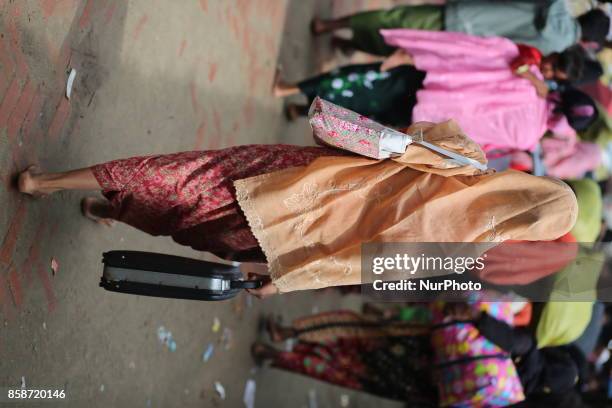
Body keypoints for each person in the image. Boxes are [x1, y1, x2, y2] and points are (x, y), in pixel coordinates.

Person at [18, 107, 578, 297]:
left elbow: (402, 133)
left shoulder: (467, 161)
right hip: (283, 238)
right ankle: (112, 208)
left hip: (293, 177)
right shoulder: (451, 253)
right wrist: (277, 281)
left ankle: (52, 184)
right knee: (188, 220)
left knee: (187, 171)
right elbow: (354, 267)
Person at [274, 38, 586, 134]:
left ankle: (289, 91)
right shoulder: (531, 132)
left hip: (430, 86)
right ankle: (300, 105)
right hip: (430, 112)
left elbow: (472, 55)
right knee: (365, 106)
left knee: (361, 82)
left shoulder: (529, 79)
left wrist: (422, 55)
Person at [251, 310, 437, 405]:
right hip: (418, 363)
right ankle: (281, 343)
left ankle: (281, 345)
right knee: (340, 361)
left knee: (340, 361)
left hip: (414, 370)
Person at [311, 3, 609, 56]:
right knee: (399, 47)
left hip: (464, 15)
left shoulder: (556, 4)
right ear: (588, 41)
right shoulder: (553, 54)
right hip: (462, 47)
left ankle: (330, 25)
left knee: (396, 19)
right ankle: (345, 41)